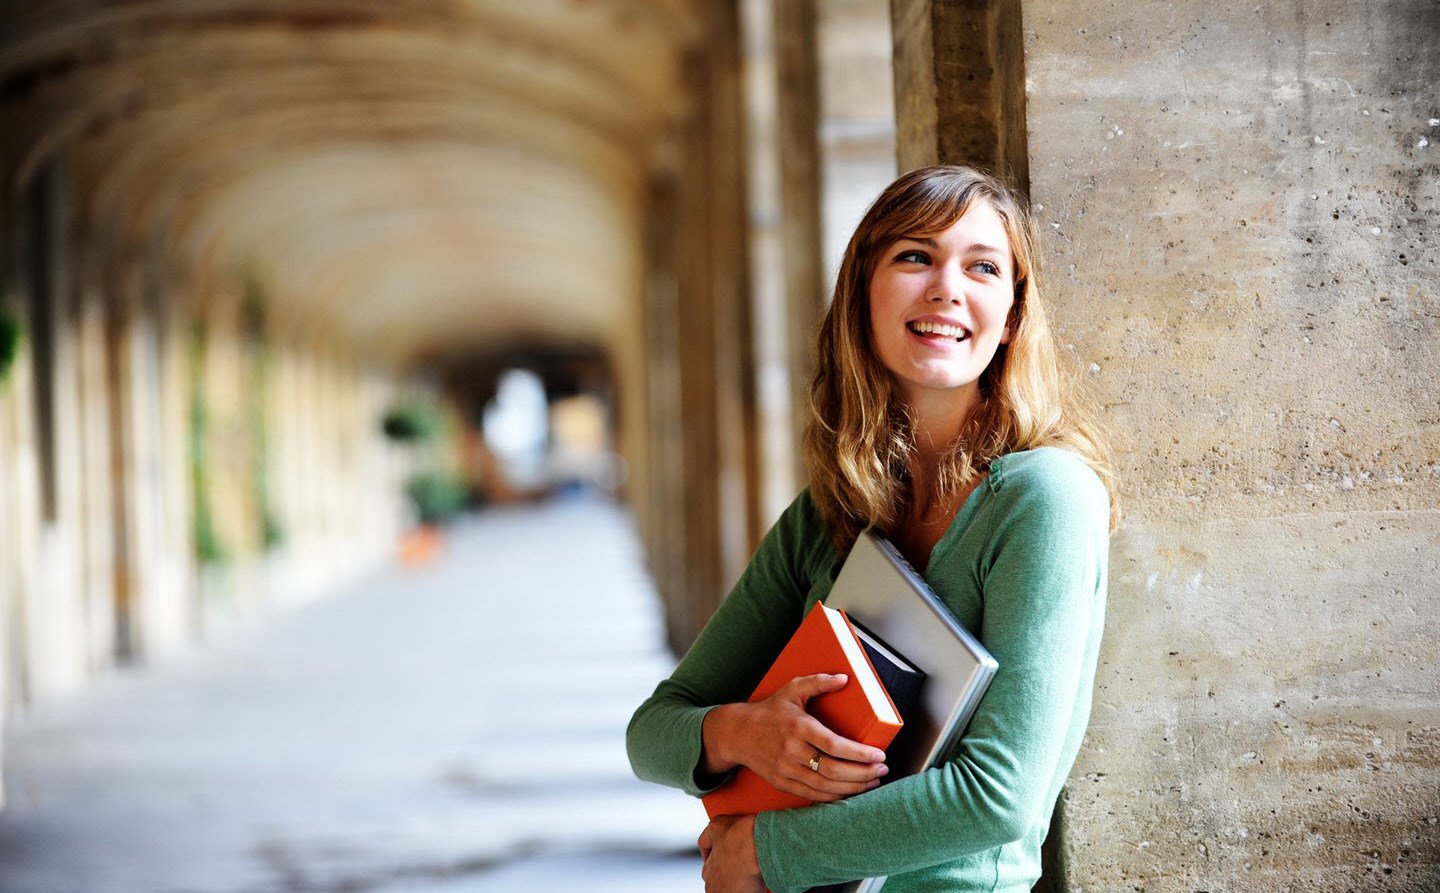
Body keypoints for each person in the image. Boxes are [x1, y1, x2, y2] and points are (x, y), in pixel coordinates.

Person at [626, 164, 1115, 893]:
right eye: (915, 255)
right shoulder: (827, 514)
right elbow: (652, 732)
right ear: (862, 292)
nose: (947, 286)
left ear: (1012, 314)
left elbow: (999, 795)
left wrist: (764, 849)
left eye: (983, 267)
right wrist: (743, 731)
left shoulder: (1044, 497)